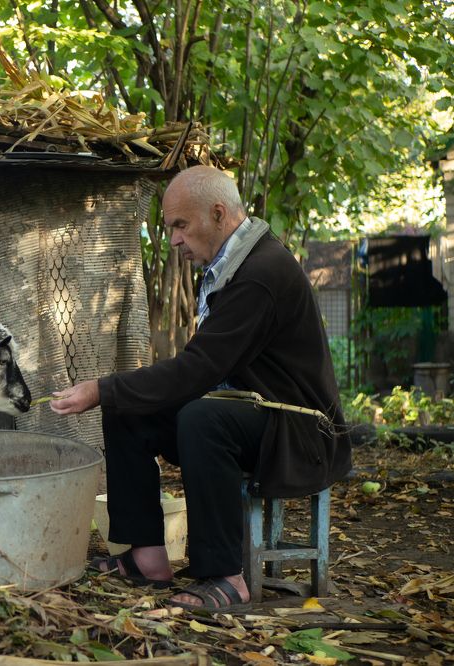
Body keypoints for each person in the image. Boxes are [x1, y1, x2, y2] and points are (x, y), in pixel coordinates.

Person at [49, 165, 351, 611]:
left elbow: (199, 368)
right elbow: (202, 370)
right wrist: (113, 394)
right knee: (130, 408)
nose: (173, 240)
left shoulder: (260, 274)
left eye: (180, 225)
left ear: (217, 213)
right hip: (255, 414)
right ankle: (146, 555)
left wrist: (101, 387)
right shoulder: (234, 262)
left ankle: (225, 577)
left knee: (201, 417)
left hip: (300, 433)